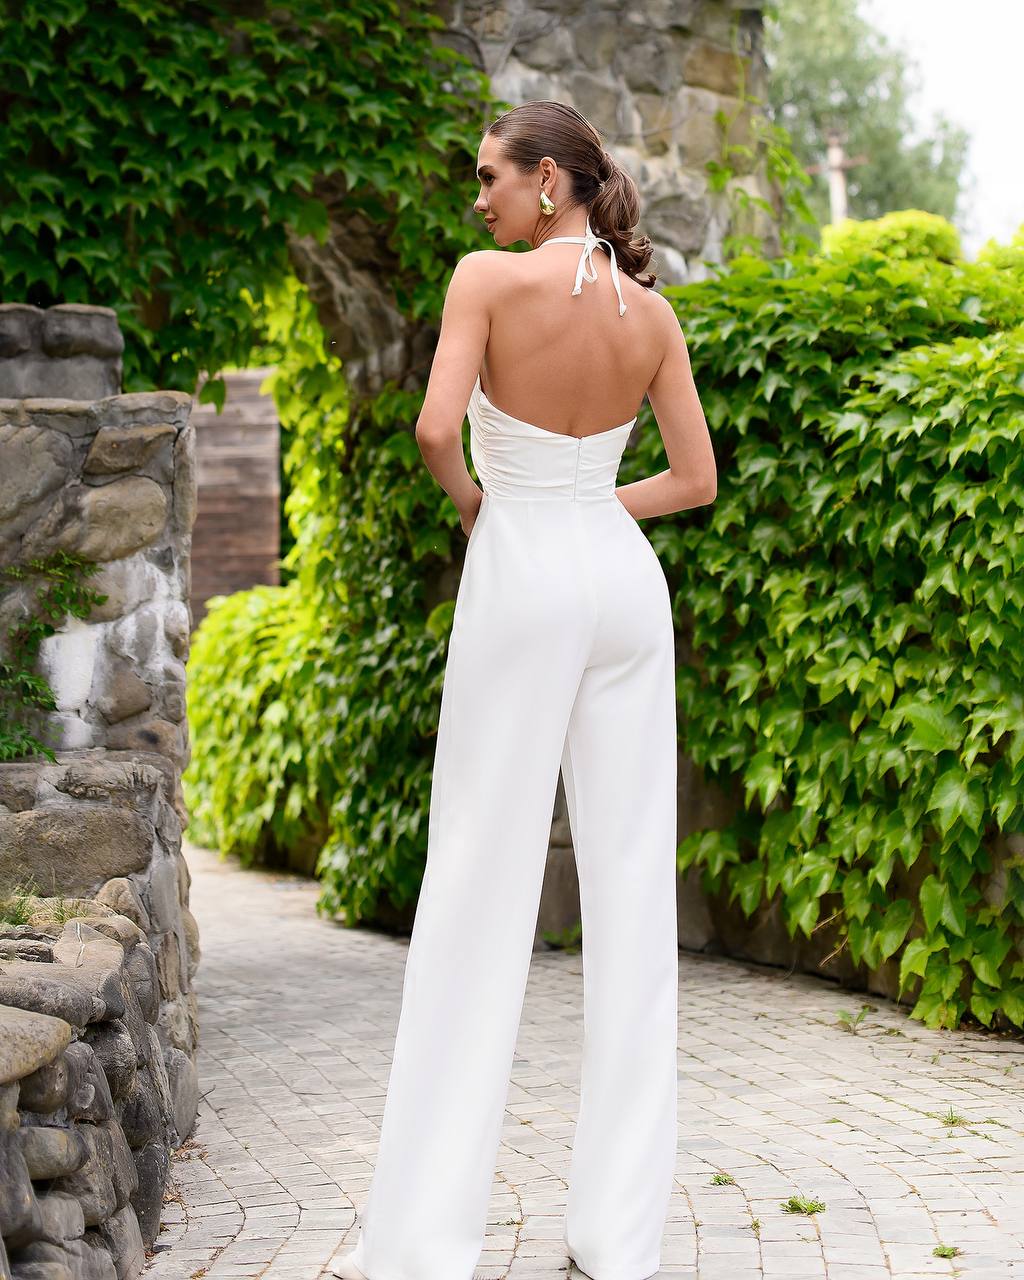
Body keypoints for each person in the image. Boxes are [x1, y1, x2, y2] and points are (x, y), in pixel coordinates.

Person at [331, 99, 717, 1280]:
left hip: (522, 571)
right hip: (620, 584)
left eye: (490, 177)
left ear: (550, 180)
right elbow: (694, 479)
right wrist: (596, 508)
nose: (479, 198)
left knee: (476, 890)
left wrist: (485, 512)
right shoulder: (650, 314)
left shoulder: (483, 282)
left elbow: (436, 428)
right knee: (632, 903)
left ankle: (425, 1239)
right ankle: (616, 1235)